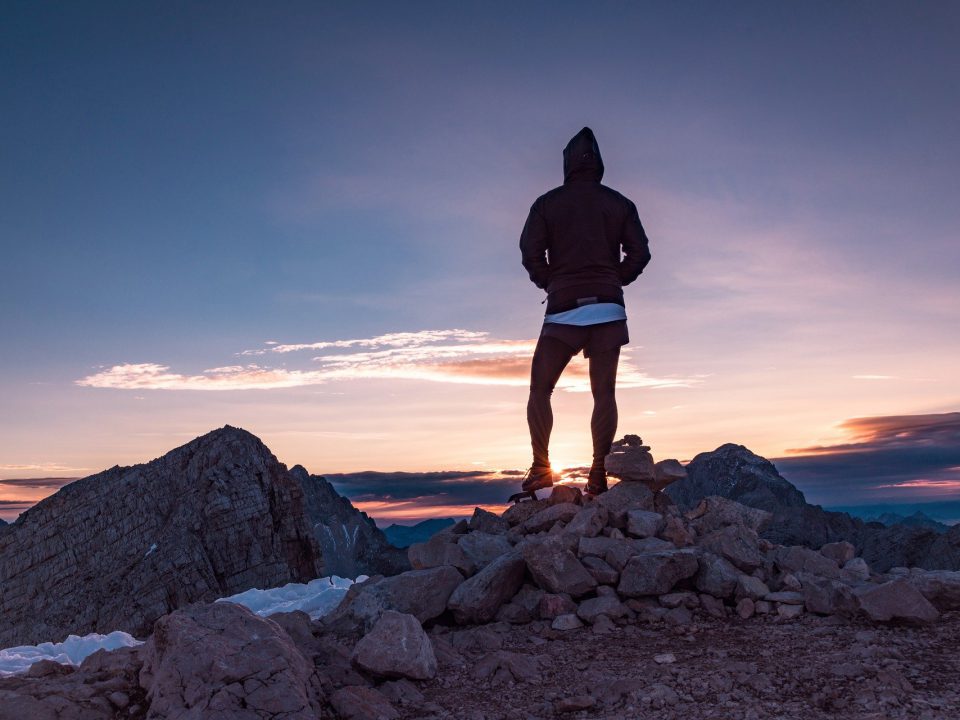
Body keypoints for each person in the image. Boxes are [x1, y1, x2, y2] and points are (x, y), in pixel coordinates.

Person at [519, 127, 651, 497]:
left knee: (540, 389)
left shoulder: (546, 204)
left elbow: (530, 253)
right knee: (604, 393)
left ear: (566, 163)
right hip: (608, 308)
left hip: (563, 310)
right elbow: (640, 253)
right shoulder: (620, 203)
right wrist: (614, 280)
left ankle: (541, 468)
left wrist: (552, 283)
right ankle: (597, 474)